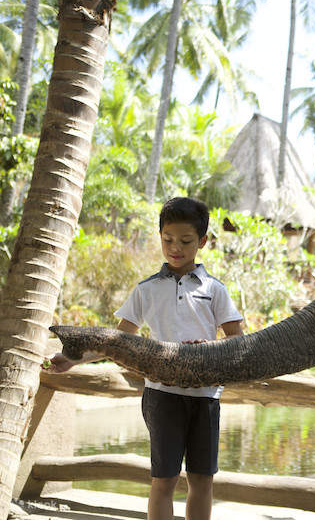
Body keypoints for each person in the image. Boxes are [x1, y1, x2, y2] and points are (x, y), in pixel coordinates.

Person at [44, 197, 243, 520]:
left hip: (206, 398)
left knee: (202, 480)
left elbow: (238, 340)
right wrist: (72, 360)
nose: (174, 247)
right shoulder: (146, 290)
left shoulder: (215, 289)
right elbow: (118, 342)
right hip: (162, 396)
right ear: (160, 236)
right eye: (167, 240)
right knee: (163, 480)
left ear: (203, 241)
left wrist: (209, 345)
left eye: (185, 241)